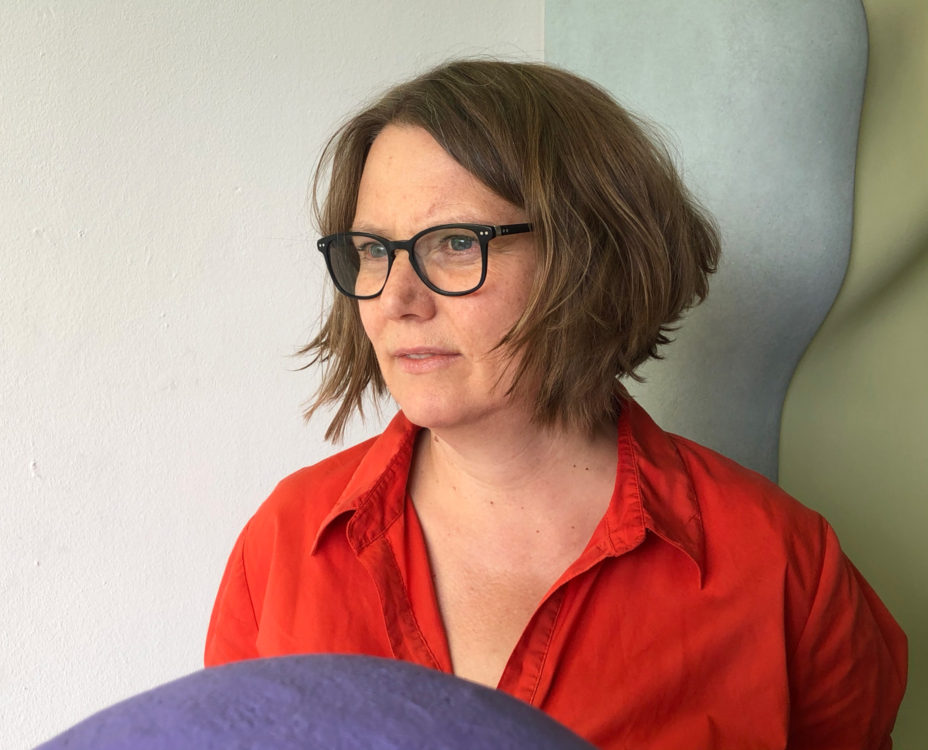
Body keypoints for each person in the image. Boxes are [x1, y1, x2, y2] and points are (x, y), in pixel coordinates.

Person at [205, 60, 906, 749]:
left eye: (456, 243)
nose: (395, 300)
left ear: (593, 255)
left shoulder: (781, 566)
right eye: (371, 250)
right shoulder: (284, 545)